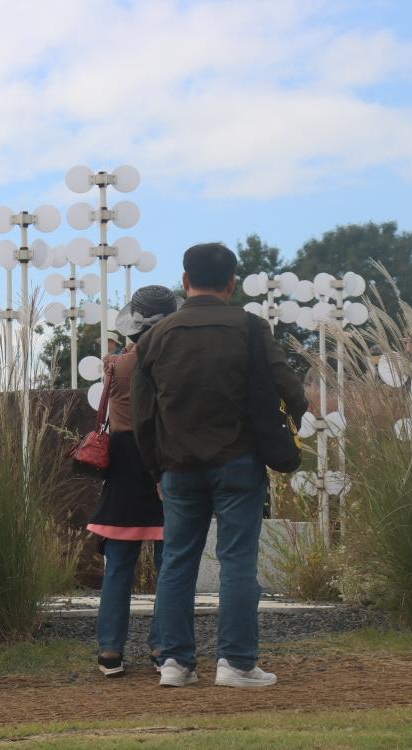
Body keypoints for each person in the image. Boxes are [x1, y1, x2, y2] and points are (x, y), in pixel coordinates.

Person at [131, 243, 307, 689]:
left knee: (176, 562)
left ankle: (174, 663)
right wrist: (292, 419)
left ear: (185, 281)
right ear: (231, 283)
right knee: (237, 562)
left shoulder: (157, 335)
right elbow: (290, 387)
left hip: (177, 466)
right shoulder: (250, 328)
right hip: (238, 462)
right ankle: (236, 663)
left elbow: (142, 414)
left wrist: (157, 467)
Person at [88, 286, 177, 677]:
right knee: (170, 566)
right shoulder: (177, 365)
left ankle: (110, 650)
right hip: (167, 459)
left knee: (118, 566)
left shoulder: (116, 365)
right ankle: (163, 648)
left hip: (124, 463)